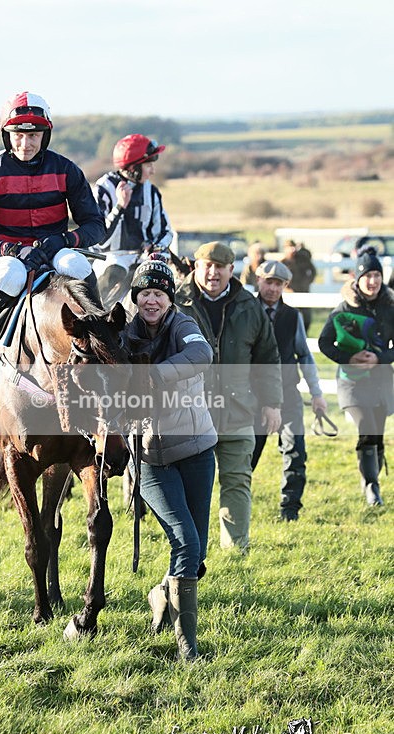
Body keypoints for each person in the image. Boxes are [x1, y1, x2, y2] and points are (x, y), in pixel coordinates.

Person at [0, 91, 105, 365]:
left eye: (33, 135)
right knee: (12, 275)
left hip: (54, 252)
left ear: (45, 135)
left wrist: (65, 239)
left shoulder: (67, 170)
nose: (25, 143)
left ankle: (103, 331)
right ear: (6, 135)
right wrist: (13, 250)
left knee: (76, 264)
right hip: (7, 258)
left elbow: (96, 226)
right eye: (18, 135)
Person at [123, 258, 217, 660]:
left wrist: (155, 375)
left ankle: (162, 593)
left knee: (197, 552)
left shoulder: (183, 325)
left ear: (169, 299)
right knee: (186, 543)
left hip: (197, 450)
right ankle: (187, 649)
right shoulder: (122, 334)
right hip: (148, 459)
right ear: (135, 297)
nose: (152, 300)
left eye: (159, 293)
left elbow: (202, 353)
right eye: (145, 292)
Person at [175, 242, 282, 552]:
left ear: (231, 270)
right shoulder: (176, 303)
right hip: (189, 415)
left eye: (220, 267)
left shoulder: (249, 306)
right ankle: (190, 550)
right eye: (207, 265)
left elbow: (267, 357)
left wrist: (272, 403)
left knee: (237, 481)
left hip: (237, 411)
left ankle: (236, 549)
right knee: (192, 488)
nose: (213, 272)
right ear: (196, 266)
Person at [251, 260, 327, 521]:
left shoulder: (293, 316)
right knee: (248, 454)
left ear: (285, 286)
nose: (273, 288)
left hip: (288, 394)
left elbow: (304, 354)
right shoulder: (246, 312)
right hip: (253, 395)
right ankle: (238, 505)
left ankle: (290, 509)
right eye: (269, 282)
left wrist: (316, 393)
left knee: (295, 452)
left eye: (279, 284)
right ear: (259, 280)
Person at [319, 247, 394, 506]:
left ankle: (372, 478)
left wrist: (380, 358)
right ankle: (372, 487)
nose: (373, 281)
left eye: (377, 275)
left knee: (377, 432)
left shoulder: (390, 307)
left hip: (381, 380)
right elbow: (325, 342)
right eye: (367, 276)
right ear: (357, 278)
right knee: (366, 427)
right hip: (352, 382)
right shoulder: (344, 307)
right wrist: (349, 358)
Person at [93, 134, 173, 303]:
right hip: (108, 258)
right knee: (115, 272)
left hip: (142, 257)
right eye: (148, 165)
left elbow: (165, 231)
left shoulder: (151, 191)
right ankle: (97, 314)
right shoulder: (104, 188)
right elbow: (99, 239)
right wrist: (120, 206)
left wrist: (156, 247)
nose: (153, 171)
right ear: (133, 168)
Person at [281, 239, 317, 332]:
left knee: (306, 319)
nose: (292, 250)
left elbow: (313, 271)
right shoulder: (282, 263)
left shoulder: (303, 260)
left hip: (304, 293)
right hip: (289, 296)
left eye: (293, 247)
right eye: (289, 247)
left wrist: (307, 283)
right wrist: (286, 289)